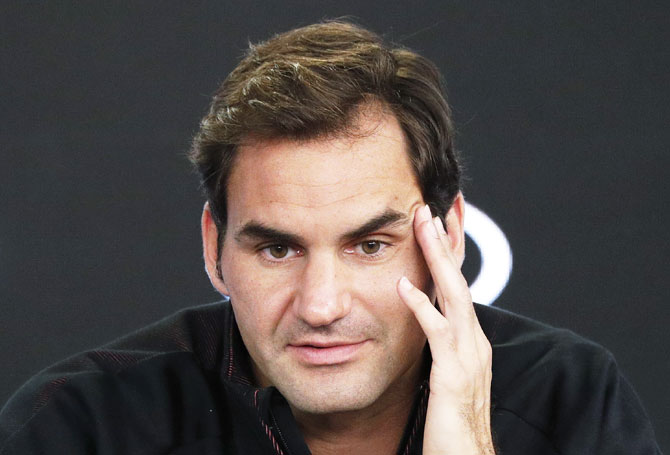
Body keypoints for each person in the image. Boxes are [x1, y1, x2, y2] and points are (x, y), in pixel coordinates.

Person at [0, 21, 661, 455]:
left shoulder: (570, 401)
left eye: (369, 245)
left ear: (451, 237)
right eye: (277, 248)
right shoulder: (81, 426)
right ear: (214, 246)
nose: (320, 305)